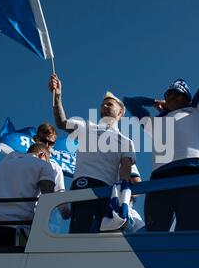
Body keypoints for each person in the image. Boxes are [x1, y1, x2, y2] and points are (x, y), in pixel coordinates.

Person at [123, 77, 199, 231]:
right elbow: (129, 101)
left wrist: (191, 104)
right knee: (155, 229)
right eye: (169, 94)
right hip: (160, 178)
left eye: (178, 94)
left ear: (187, 98)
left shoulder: (197, 112)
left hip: (192, 172)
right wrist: (154, 102)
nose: (172, 97)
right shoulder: (154, 123)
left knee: (192, 226)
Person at [48, 74, 136, 233]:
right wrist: (57, 97)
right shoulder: (86, 126)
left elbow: (125, 171)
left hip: (108, 191)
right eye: (103, 104)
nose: (105, 106)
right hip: (83, 185)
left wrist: (122, 199)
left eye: (109, 104)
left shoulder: (126, 141)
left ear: (121, 112)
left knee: (103, 241)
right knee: (79, 236)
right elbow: (62, 122)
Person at [0, 143, 57, 247]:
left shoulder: (3, 163)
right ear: (42, 155)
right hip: (12, 231)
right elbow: (48, 199)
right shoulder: (43, 164)